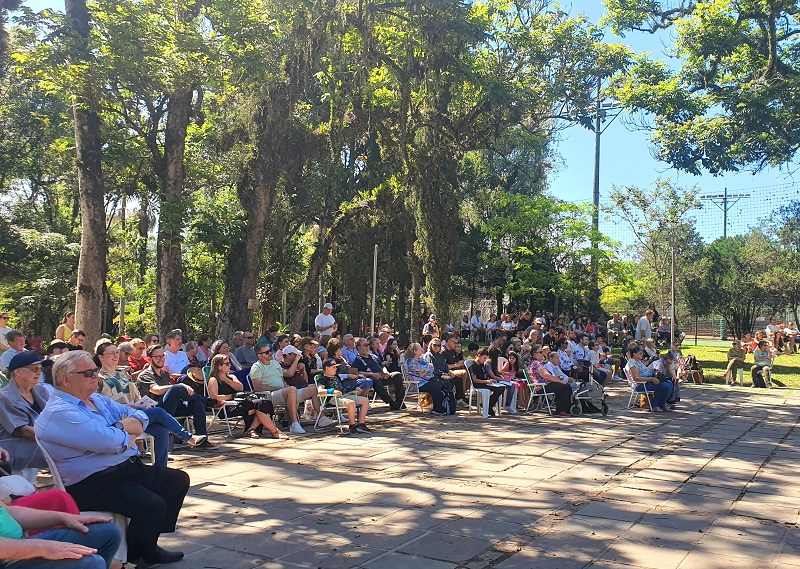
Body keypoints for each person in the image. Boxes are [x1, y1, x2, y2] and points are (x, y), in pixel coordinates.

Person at [35, 350, 189, 566]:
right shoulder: (59, 413)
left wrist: (120, 429)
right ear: (65, 379)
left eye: (95, 371)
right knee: (152, 505)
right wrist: (125, 432)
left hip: (124, 468)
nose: (95, 376)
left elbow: (140, 415)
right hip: (91, 482)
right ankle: (136, 556)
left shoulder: (96, 399)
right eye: (88, 373)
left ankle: (148, 542)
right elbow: (111, 442)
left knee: (176, 481)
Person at [95, 342, 207, 466]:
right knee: (159, 411)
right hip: (118, 418)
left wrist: (140, 403)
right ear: (101, 357)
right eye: (111, 353)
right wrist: (124, 407)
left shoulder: (123, 373)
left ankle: (160, 471)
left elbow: (136, 394)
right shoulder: (98, 378)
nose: (116, 356)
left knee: (161, 429)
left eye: (117, 352)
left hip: (136, 413)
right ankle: (188, 437)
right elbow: (98, 403)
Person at [0, 499, 120, 569]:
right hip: (5, 556)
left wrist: (63, 517)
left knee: (107, 532)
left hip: (18, 542)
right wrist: (42, 548)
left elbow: (7, 512)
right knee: (90, 563)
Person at [136, 345, 215, 448]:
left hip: (171, 407)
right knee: (177, 388)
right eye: (157, 357)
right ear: (150, 359)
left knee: (197, 403)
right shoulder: (145, 375)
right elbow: (156, 390)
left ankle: (201, 439)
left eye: (163, 356)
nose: (161, 359)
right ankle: (208, 402)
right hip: (156, 410)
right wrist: (177, 386)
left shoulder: (165, 374)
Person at [249, 345, 335, 435]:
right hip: (268, 396)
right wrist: (279, 388)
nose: (270, 353)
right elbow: (257, 388)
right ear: (259, 355)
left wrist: (285, 386)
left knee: (314, 389)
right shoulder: (257, 367)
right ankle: (294, 424)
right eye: (267, 352)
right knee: (292, 389)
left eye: (270, 351)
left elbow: (284, 377)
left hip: (283, 393)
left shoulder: (275, 363)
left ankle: (321, 419)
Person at [206, 354, 284, 439]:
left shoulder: (232, 377)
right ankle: (274, 431)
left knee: (264, 403)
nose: (230, 366)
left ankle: (252, 429)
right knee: (260, 405)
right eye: (227, 364)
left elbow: (240, 388)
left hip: (240, 403)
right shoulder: (213, 380)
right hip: (226, 407)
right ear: (219, 366)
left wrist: (226, 380)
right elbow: (214, 398)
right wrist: (232, 396)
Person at [0, 351, 49, 471]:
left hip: (41, 445)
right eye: (34, 369)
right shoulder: (5, 396)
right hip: (15, 450)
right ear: (18, 371)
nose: (39, 373)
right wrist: (60, 437)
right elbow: (22, 431)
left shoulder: (41, 391)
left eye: (40, 369)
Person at [316, 358, 371, 434]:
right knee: (350, 403)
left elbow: (343, 388)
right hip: (333, 399)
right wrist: (332, 391)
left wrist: (354, 389)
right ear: (327, 368)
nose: (336, 369)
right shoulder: (323, 379)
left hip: (344, 396)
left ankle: (361, 424)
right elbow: (320, 391)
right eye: (334, 367)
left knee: (365, 400)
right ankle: (352, 425)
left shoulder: (336, 376)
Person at [352, 337, 405, 410]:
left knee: (397, 375)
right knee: (374, 380)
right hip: (373, 378)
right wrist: (372, 374)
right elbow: (358, 372)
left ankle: (399, 400)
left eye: (368, 345)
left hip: (383, 376)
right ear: (358, 347)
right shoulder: (358, 360)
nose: (367, 347)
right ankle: (390, 402)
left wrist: (386, 372)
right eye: (365, 345)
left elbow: (382, 366)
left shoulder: (373, 356)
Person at [404, 344, 455, 415]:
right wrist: (426, 369)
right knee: (435, 386)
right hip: (417, 384)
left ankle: (444, 405)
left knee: (445, 383)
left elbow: (432, 367)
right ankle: (437, 408)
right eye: (420, 348)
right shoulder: (410, 361)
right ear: (414, 351)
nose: (422, 349)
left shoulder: (421, 359)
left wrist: (425, 370)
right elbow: (420, 368)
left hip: (426, 380)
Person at [527, 345, 573, 416]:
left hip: (544, 385)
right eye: (541, 352)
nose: (543, 354)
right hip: (541, 387)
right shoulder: (537, 364)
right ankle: (561, 410)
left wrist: (557, 379)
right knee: (565, 387)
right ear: (534, 354)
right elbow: (546, 376)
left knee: (564, 386)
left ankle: (563, 409)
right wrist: (559, 381)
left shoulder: (537, 363)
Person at [625, 345, 673, 412]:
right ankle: (655, 405)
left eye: (642, 353)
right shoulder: (632, 363)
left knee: (669, 383)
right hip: (640, 385)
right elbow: (636, 378)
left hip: (647, 381)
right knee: (665, 386)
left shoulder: (639, 362)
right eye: (640, 354)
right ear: (634, 354)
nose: (642, 355)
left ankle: (662, 404)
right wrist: (651, 379)